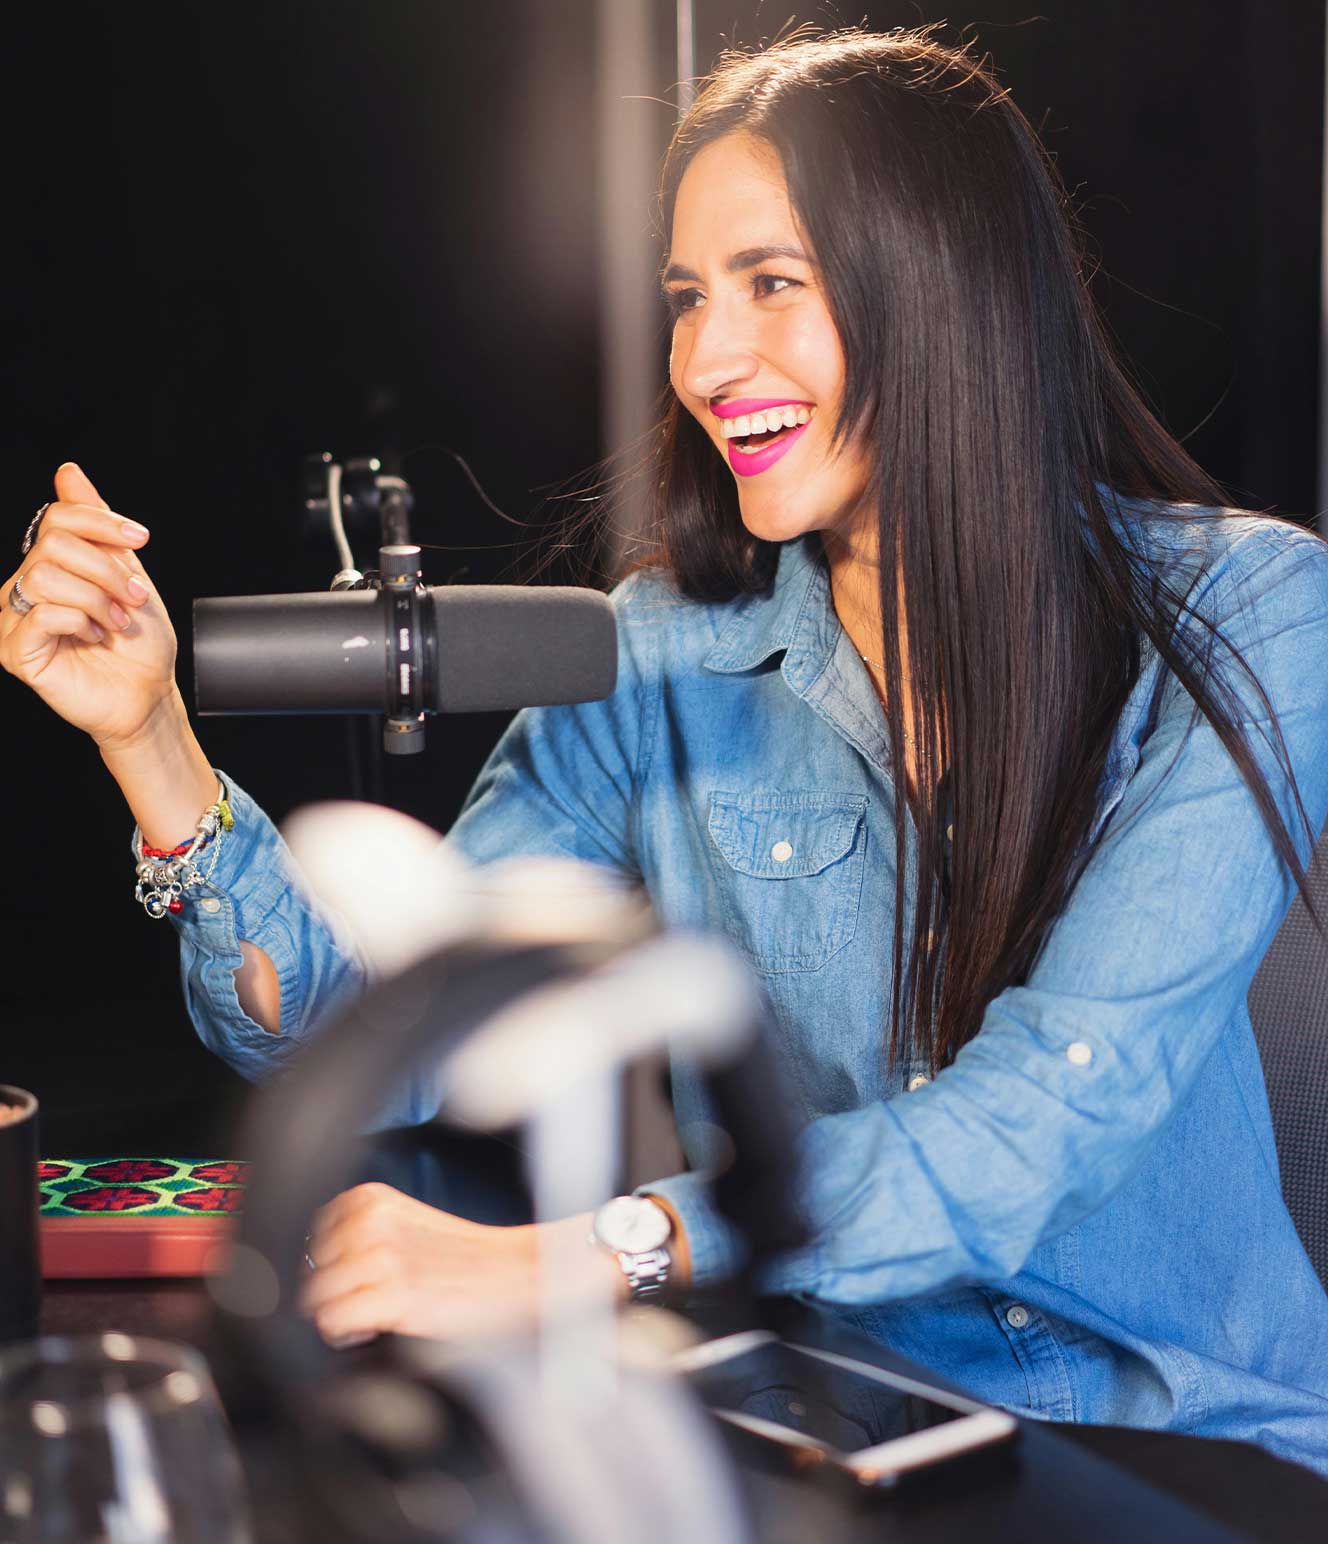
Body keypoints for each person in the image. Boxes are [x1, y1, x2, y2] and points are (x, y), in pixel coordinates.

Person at [5, 24, 1328, 1470]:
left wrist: (586, 1252)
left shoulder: (1251, 615)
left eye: (774, 285)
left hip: (1192, 1444)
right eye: (689, 298)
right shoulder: (657, 651)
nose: (705, 357)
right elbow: (379, 1036)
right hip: (826, 1419)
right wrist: (150, 742)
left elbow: (1053, 1118)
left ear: (950, 290)